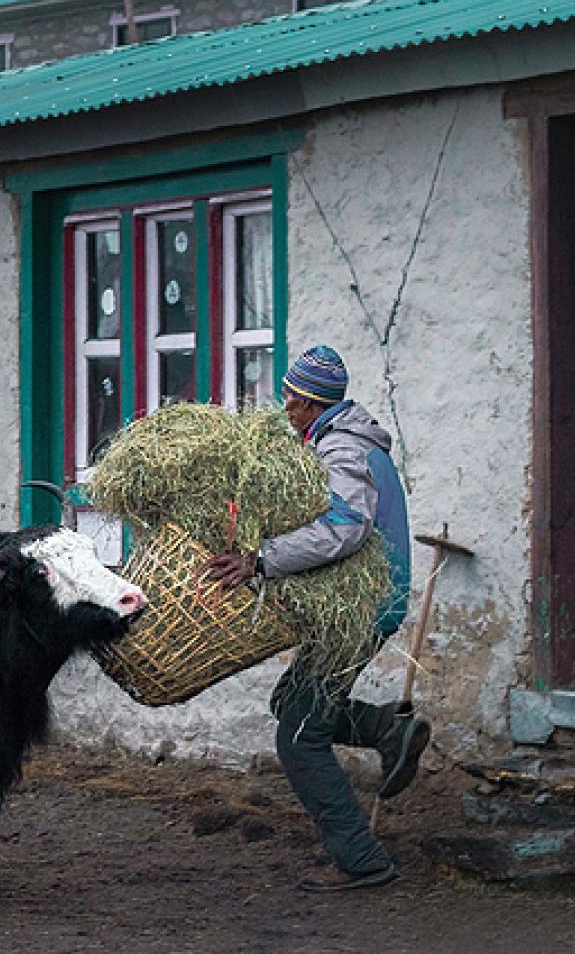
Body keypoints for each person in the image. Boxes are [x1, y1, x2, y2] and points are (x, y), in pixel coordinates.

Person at [203, 345, 428, 893]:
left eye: (289, 398)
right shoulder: (342, 439)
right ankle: (389, 731)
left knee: (299, 738)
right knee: (291, 704)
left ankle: (362, 860)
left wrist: (262, 560)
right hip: (356, 608)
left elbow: (343, 528)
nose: (284, 408)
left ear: (309, 402)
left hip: (359, 611)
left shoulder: (343, 447)